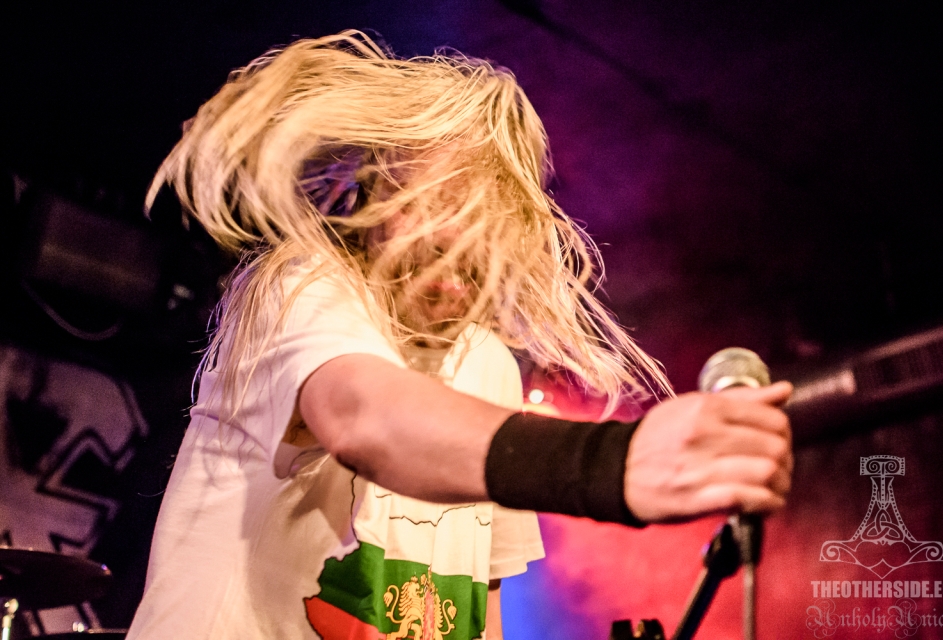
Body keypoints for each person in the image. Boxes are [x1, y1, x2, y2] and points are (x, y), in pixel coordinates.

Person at [127, 31, 792, 640]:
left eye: (479, 224)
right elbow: (361, 416)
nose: (453, 239)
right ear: (376, 195)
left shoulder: (487, 365)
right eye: (432, 205)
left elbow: (479, 605)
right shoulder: (303, 286)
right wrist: (613, 465)